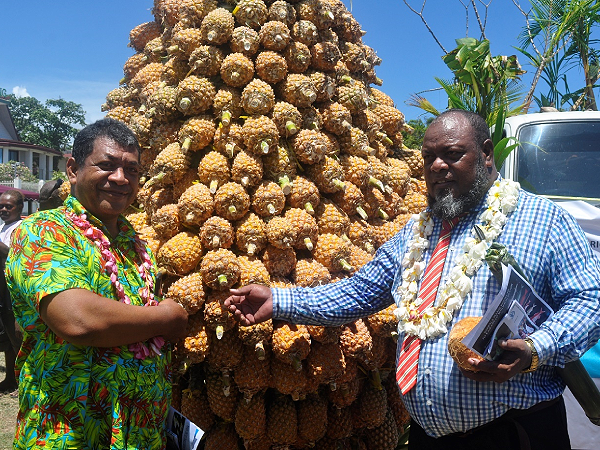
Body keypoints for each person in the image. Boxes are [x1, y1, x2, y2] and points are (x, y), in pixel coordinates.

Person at [225, 109, 600, 450]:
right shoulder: (415, 234)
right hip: (428, 437)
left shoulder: (543, 220)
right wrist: (279, 301)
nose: (437, 166)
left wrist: (535, 348)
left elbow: (589, 301)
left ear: (487, 154)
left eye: (452, 154)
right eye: (428, 158)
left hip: (515, 435)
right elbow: (359, 292)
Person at [5, 118, 189, 449]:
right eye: (107, 165)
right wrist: (169, 318)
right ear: (73, 169)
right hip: (70, 434)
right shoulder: (44, 231)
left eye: (131, 170)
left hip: (142, 435)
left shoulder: (138, 244)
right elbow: (78, 320)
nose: (120, 178)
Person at [0, 190, 24, 394]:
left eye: (9, 206)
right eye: (1, 206)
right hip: (1, 288)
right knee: (6, 338)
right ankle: (10, 377)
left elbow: (13, 255)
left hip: (13, 290)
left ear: (20, 208)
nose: (4, 209)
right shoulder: (3, 227)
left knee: (17, 337)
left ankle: (23, 381)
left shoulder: (21, 228)